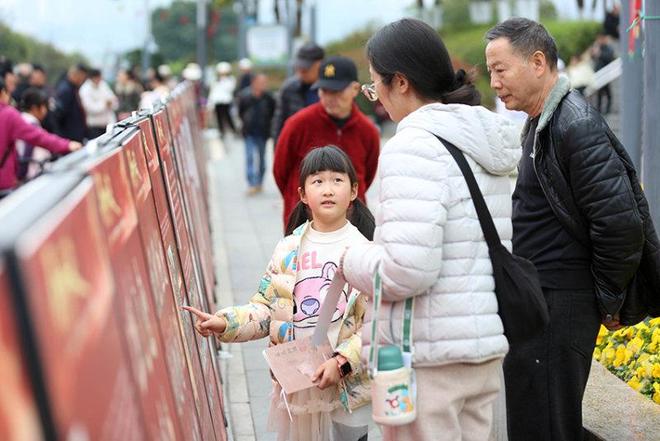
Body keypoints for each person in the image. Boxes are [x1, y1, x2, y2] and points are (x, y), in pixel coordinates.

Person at [336, 18, 522, 441]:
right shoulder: (480, 138)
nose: (376, 96)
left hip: (428, 357)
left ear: (400, 82)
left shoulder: (412, 147)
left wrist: (353, 258)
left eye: (374, 84)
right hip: (480, 347)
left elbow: (406, 270)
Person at [485, 18, 644, 441]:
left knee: (549, 425)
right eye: (490, 72)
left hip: (563, 304)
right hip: (543, 301)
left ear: (538, 62)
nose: (494, 83)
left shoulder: (575, 124)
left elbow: (621, 225)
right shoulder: (543, 120)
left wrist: (607, 298)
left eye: (500, 70)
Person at [184, 146, 374, 441]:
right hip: (299, 384)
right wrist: (225, 322)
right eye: (318, 181)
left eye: (337, 180)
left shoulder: (366, 251)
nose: (328, 189)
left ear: (353, 191)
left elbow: (375, 324)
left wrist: (341, 362)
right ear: (302, 194)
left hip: (347, 388)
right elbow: (265, 309)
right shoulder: (287, 250)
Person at [273, 55, 379, 228]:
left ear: (354, 89)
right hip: (304, 224)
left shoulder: (367, 131)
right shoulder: (298, 124)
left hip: (351, 224)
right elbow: (280, 171)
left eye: (337, 91)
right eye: (324, 91)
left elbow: (368, 174)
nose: (330, 97)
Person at [0, 78, 81, 192]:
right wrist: (67, 145)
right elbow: (37, 137)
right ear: (3, 93)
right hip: (4, 182)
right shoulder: (8, 115)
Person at [271, 42, 325, 143]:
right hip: (298, 146)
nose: (301, 71)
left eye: (306, 68)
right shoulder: (289, 89)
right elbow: (279, 124)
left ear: (320, 64)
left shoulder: (332, 89)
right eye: (299, 67)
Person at [237, 73, 275, 194]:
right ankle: (251, 183)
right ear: (253, 82)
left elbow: (273, 113)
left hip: (263, 132)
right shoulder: (245, 96)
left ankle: (259, 182)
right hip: (249, 132)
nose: (263, 85)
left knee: (262, 158)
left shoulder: (269, 97)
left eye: (264, 83)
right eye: (260, 82)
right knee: (249, 157)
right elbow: (240, 112)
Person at [16, 87, 56, 181]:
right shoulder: (31, 125)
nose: (45, 111)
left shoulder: (21, 120)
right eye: (44, 107)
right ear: (35, 108)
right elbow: (28, 150)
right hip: (34, 174)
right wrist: (22, 173)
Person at [79, 68, 118, 139]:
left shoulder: (103, 84)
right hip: (95, 127)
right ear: (92, 78)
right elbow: (90, 108)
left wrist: (111, 103)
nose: (100, 79)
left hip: (109, 124)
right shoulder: (85, 89)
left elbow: (113, 100)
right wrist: (105, 104)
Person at [53, 64, 88, 142]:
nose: (82, 81)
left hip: (76, 135)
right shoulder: (65, 90)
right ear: (75, 74)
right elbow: (59, 115)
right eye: (82, 78)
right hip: (69, 136)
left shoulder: (73, 88)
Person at [208, 62, 237, 137]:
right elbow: (213, 92)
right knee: (219, 118)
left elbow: (230, 89)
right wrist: (210, 104)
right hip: (218, 102)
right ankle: (222, 131)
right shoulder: (215, 80)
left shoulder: (230, 80)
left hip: (226, 102)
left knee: (228, 117)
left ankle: (234, 131)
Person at [591, 33, 615, 114]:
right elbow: (593, 57)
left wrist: (600, 54)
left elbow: (609, 57)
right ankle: (599, 109)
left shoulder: (608, 48)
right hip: (598, 72)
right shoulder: (597, 47)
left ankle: (608, 108)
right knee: (599, 92)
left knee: (607, 91)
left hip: (606, 72)